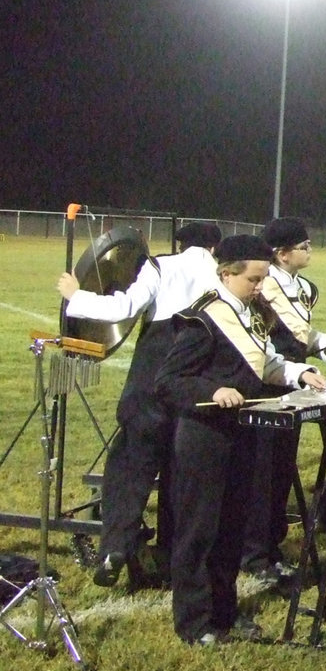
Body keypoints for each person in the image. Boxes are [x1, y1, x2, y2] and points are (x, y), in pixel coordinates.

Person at [154, 235, 326, 646]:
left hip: (241, 434)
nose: (259, 286)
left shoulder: (247, 310)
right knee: (201, 533)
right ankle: (195, 624)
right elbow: (169, 381)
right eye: (253, 279)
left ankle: (225, 615)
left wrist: (297, 373)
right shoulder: (203, 319)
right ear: (226, 274)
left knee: (231, 530)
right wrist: (212, 393)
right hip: (204, 439)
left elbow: (261, 362)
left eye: (263, 278)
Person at [56, 221, 222, 589]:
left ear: (182, 245)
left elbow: (125, 306)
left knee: (131, 462)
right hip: (196, 373)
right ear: (214, 247)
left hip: (154, 369)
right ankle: (174, 558)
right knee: (181, 473)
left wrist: (75, 295)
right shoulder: (223, 275)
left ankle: (115, 547)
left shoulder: (162, 265)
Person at [241, 217, 326, 587]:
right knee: (264, 469)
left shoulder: (301, 287)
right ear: (282, 255)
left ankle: (272, 545)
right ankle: (256, 552)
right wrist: (294, 369)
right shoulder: (261, 286)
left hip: (292, 383)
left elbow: (300, 332)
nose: (310, 250)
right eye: (304, 246)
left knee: (282, 467)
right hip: (267, 384)